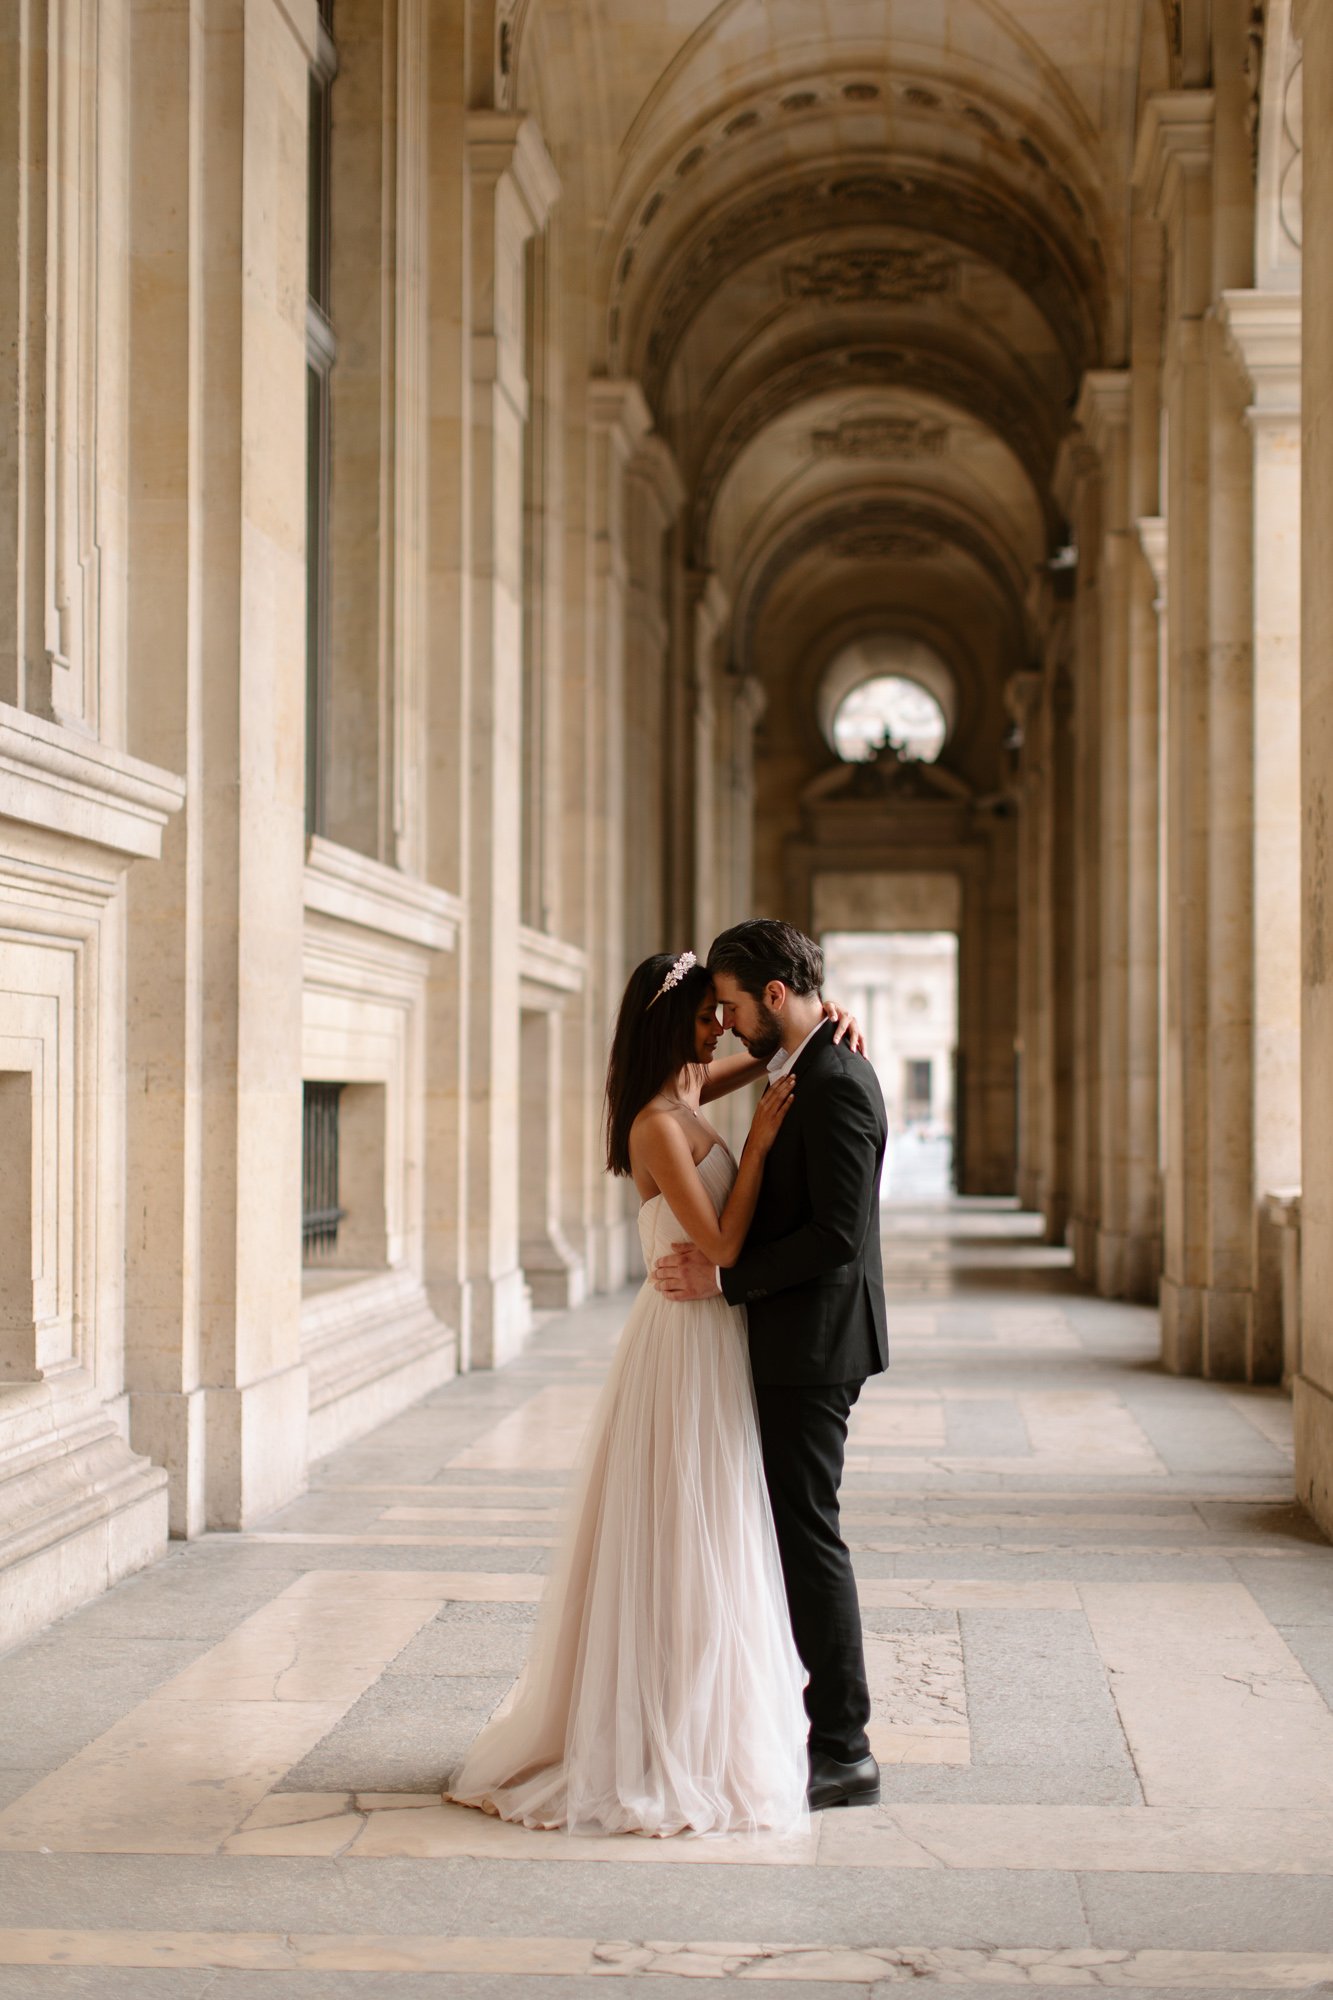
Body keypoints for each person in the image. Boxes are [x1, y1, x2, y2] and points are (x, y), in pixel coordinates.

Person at [446, 949, 863, 1836]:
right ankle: (654, 1731)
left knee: (716, 1522)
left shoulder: (688, 1092)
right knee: (683, 1527)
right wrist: (754, 1145)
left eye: (724, 1010)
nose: (721, 1025)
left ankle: (700, 1715)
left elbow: (775, 1043)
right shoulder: (656, 1124)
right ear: (671, 1024)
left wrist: (834, 1020)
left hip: (718, 1336)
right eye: (707, 1013)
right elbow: (717, 1246)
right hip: (685, 1335)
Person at [652, 919, 888, 1813]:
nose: (726, 1018)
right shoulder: (809, 1058)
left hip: (815, 1345)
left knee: (808, 1537)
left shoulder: (834, 1081)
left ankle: (845, 1746)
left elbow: (837, 1235)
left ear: (776, 997)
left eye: (734, 1004)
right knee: (790, 1531)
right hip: (793, 1337)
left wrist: (724, 1278)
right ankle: (809, 1723)